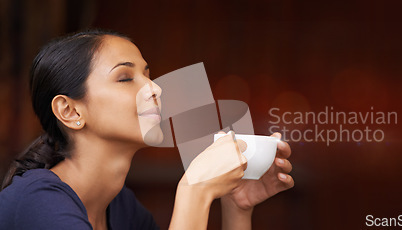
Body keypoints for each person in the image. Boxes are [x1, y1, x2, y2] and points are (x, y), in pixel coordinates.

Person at [0, 30, 294, 229]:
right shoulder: (38, 202)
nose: (154, 88)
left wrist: (237, 209)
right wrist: (195, 189)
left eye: (148, 75)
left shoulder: (121, 208)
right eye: (125, 78)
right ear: (70, 111)